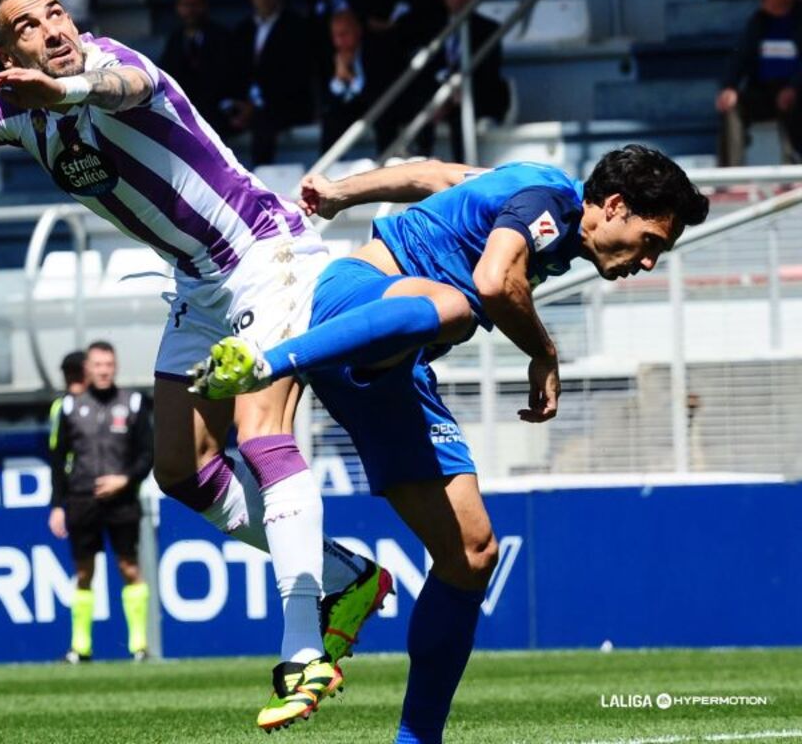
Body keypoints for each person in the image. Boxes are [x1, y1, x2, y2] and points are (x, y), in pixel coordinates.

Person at [0, 0, 392, 732]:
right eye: (29, 27)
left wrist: (65, 91)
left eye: (56, 13)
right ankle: (346, 576)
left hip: (263, 254)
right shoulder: (13, 109)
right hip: (198, 287)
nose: (54, 29)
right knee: (181, 471)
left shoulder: (118, 65)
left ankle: (304, 645)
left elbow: (112, 88)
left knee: (262, 434)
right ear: (7, 49)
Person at [191, 146, 710, 744]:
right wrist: (543, 354)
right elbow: (494, 281)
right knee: (459, 306)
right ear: (614, 206)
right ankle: (265, 363)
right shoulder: (545, 199)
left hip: (398, 356)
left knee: (471, 554)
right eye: (650, 242)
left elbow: (435, 175)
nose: (647, 263)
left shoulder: (534, 200)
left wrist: (339, 192)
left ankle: (417, 739)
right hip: (356, 299)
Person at [48, 342, 153, 663]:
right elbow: (58, 459)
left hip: (122, 500)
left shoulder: (133, 402)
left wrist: (126, 479)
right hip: (82, 499)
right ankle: (81, 647)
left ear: (116, 366)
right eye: (97, 365)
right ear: (88, 369)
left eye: (108, 364)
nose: (104, 370)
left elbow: (148, 454)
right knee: (83, 571)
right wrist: (57, 505)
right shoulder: (68, 406)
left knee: (128, 567)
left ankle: (139, 645)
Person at [413, 0, 511, 161]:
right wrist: (445, 94)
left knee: (461, 112)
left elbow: (490, 70)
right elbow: (427, 70)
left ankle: (462, 168)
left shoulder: (488, 29)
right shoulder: (432, 29)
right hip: (441, 94)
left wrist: (461, 90)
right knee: (423, 103)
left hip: (476, 93)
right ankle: (420, 161)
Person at [716, 0, 802, 166]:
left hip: (795, 93)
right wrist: (729, 87)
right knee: (733, 107)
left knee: (794, 106)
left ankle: (794, 167)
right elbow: (740, 57)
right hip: (764, 91)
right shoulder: (758, 22)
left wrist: (794, 87)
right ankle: (731, 172)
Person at [230, 0, 314, 167]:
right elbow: (235, 70)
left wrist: (257, 103)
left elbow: (295, 75)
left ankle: (260, 177)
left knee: (263, 121)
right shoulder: (243, 29)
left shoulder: (297, 27)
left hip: (284, 103)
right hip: (247, 102)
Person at [158, 0, 237, 136]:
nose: (190, 10)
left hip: (214, 109)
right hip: (183, 107)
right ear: (178, 8)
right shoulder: (175, 40)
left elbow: (225, 77)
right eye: (185, 4)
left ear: (205, 6)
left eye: (195, 4)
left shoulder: (221, 37)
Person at [320, 9, 398, 152]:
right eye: (335, 36)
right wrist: (339, 78)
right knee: (331, 117)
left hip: (375, 105)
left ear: (357, 30)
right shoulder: (330, 55)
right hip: (350, 108)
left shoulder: (376, 51)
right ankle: (328, 168)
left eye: (344, 34)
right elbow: (327, 98)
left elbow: (378, 91)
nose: (339, 41)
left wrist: (350, 78)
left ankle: (386, 162)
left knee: (385, 117)